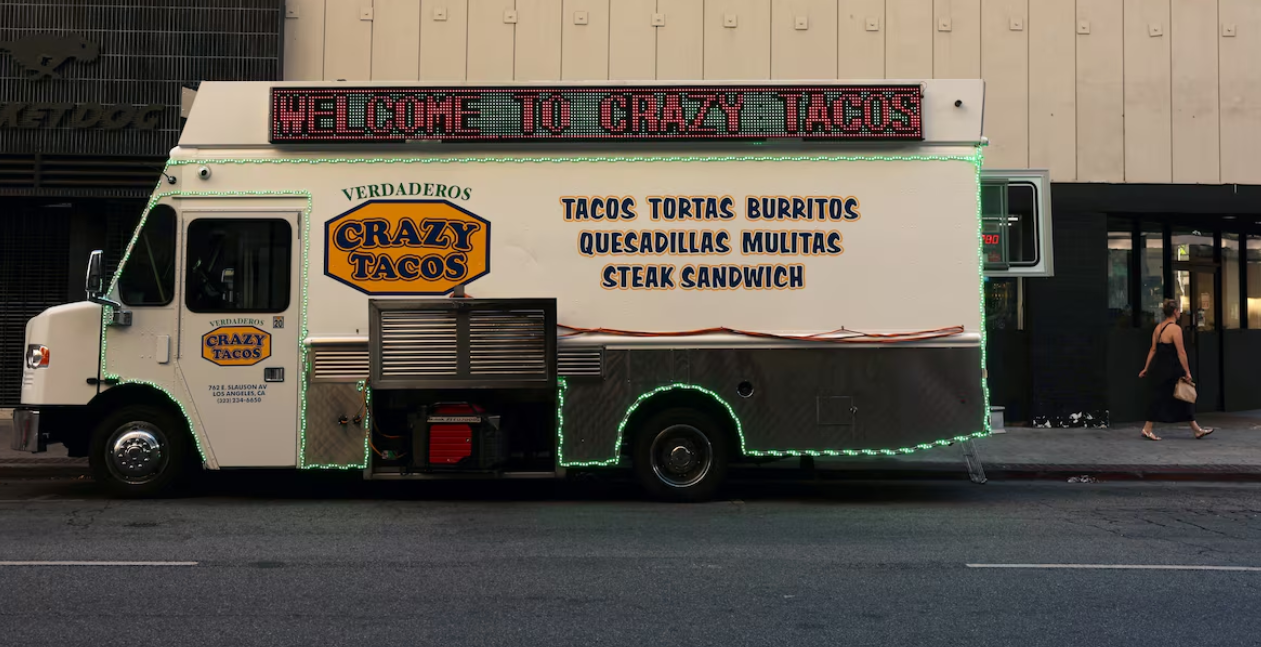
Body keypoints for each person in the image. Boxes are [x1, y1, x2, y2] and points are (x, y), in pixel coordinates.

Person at [1138, 299, 1213, 441]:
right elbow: (1181, 352)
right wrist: (1187, 371)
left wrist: (1146, 368)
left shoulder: (1158, 328)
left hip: (1158, 368)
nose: (1179, 313)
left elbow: (1153, 349)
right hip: (1172, 369)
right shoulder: (1175, 329)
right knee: (1183, 396)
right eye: (1179, 310)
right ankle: (1148, 429)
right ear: (1175, 312)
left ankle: (1196, 429)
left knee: (1165, 397)